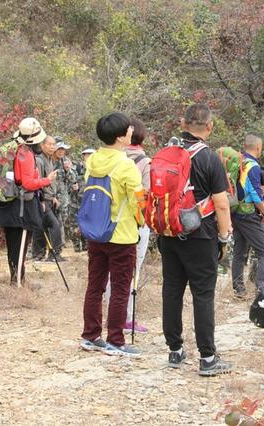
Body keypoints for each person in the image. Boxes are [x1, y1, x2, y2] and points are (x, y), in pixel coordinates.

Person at [158, 103, 232, 376]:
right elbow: (222, 204)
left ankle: (175, 351)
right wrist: (224, 238)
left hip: (168, 232)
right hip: (200, 235)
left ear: (183, 122)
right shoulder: (209, 158)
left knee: (172, 290)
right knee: (202, 293)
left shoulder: (166, 153)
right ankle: (208, 358)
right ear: (210, 127)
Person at [79, 112, 146, 356]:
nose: (131, 133)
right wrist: (141, 222)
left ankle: (90, 335)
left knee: (95, 285)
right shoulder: (126, 165)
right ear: (120, 137)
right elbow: (138, 201)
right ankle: (115, 340)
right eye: (128, 130)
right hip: (122, 235)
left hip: (96, 232)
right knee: (119, 288)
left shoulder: (93, 160)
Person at [0, 117, 57, 284]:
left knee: (12, 245)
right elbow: (27, 183)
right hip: (21, 206)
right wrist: (47, 180)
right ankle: (19, 284)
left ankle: (16, 279)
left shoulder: (10, 148)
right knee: (20, 245)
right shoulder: (25, 154)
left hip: (7, 203)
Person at [105, 117, 152, 334]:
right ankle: (126, 319)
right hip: (133, 224)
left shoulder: (111, 158)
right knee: (132, 272)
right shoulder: (145, 162)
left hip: (107, 220)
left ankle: (109, 314)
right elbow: (145, 196)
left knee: (108, 273)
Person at [231, 134, 264, 298]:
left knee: (239, 252)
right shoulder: (253, 166)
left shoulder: (239, 162)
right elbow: (256, 194)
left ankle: (238, 289)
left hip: (236, 212)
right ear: (258, 148)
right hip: (249, 214)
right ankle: (263, 290)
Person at [31, 136, 65, 262]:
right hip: (42, 199)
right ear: (42, 145)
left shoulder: (50, 160)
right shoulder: (39, 161)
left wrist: (54, 197)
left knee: (43, 226)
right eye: (49, 144)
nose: (52, 147)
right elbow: (37, 182)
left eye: (53, 144)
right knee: (54, 225)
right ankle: (53, 254)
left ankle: (39, 254)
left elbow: (51, 182)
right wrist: (40, 200)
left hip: (50, 199)